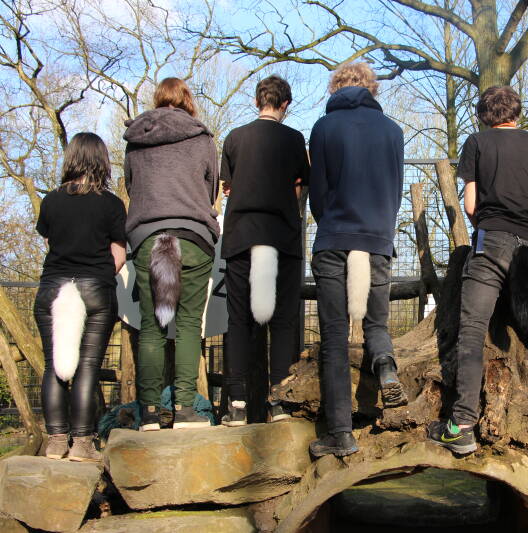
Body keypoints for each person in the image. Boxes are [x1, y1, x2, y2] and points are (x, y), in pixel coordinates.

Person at [427, 85, 528, 455]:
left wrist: (490, 222)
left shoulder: (477, 143)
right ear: (517, 112)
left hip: (491, 245)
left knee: (471, 332)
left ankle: (461, 426)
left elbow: (470, 205)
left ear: (484, 115)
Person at [307, 62, 405, 457]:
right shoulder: (393, 131)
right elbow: (396, 191)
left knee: (334, 337)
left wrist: (330, 224)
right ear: (372, 89)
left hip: (334, 236)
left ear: (336, 88)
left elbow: (318, 191)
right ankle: (386, 367)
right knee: (376, 323)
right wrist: (379, 231)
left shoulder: (323, 128)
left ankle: (340, 434)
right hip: (376, 239)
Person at [124, 77, 219, 431]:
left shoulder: (136, 138)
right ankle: (184, 409)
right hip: (193, 237)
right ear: (187, 100)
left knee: (152, 326)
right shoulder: (201, 137)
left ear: (158, 98)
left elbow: (131, 186)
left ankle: (149, 412)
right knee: (188, 324)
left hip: (149, 236)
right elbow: (211, 189)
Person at [219, 75, 309, 426]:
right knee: (283, 321)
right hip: (282, 236)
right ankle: (280, 403)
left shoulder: (234, 138)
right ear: (285, 104)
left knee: (238, 320)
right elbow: (301, 184)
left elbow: (227, 187)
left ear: (258, 101)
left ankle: (236, 403)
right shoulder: (294, 139)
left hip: (241, 236)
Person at [34, 132, 126, 461]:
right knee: (87, 367)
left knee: (53, 367)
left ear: (71, 159)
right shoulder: (111, 204)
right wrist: (99, 273)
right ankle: (83, 444)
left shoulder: (51, 200)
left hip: (52, 288)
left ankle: (56, 442)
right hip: (95, 289)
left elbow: (51, 244)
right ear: (102, 161)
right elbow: (119, 255)